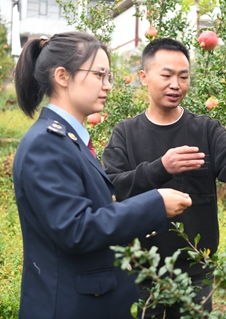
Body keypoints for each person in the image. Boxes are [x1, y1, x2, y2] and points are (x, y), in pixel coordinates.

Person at [12, 31, 192, 319]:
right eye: (99, 75)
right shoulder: (47, 144)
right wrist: (154, 204)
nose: (107, 85)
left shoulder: (68, 140)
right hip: (69, 306)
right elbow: (76, 230)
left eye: (108, 76)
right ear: (62, 76)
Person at [102, 37, 226, 318]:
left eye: (183, 76)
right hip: (143, 271)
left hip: (196, 270)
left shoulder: (206, 130)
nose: (176, 84)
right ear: (144, 77)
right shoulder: (126, 133)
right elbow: (113, 186)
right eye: (167, 75)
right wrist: (161, 168)